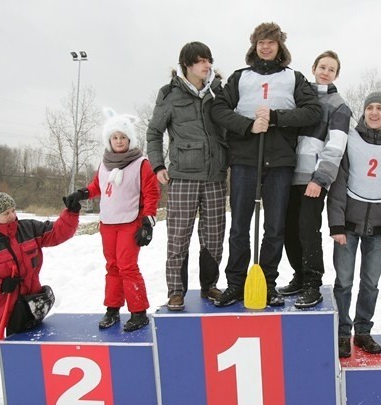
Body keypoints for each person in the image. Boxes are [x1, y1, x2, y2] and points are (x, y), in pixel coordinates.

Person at [210, 22, 321, 307]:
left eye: (271, 42)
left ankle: (267, 283)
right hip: (246, 160)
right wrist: (249, 126)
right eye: (261, 42)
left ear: (280, 47)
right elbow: (218, 109)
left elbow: (313, 111)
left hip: (281, 162)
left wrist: (275, 118)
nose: (266, 46)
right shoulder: (240, 78)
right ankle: (235, 283)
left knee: (274, 227)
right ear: (254, 46)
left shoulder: (293, 78)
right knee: (239, 226)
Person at [0, 192, 79, 405]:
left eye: (13, 210)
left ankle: (28, 392)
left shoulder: (29, 228)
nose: (13, 215)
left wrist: (71, 212)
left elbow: (58, 233)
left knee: (24, 351)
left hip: (27, 305)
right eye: (6, 213)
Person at [328, 91, 381, 357]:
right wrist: (336, 225)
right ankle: (342, 333)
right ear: (364, 112)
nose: (374, 112)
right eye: (370, 108)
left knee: (371, 283)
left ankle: (363, 332)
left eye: (380, 108)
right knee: (343, 282)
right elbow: (338, 183)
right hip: (349, 225)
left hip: (380, 227)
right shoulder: (350, 139)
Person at [147, 41, 227, 312]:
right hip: (182, 177)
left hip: (215, 176)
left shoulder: (219, 90)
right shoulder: (169, 93)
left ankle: (210, 285)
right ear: (187, 65)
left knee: (214, 236)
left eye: (209, 60)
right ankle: (176, 291)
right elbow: (154, 132)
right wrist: (158, 165)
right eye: (201, 61)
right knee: (178, 237)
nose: (207, 66)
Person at [64, 108, 160, 331]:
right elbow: (97, 186)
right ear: (109, 139)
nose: (118, 141)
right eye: (114, 137)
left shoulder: (141, 163)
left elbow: (152, 193)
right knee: (112, 267)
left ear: (130, 139)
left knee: (127, 266)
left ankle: (138, 312)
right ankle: (112, 310)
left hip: (130, 222)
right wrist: (81, 193)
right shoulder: (105, 162)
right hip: (107, 223)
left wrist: (147, 222)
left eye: (122, 137)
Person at [281, 50, 351, 309]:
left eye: (331, 69)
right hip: (287, 175)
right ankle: (299, 275)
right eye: (322, 67)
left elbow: (336, 146)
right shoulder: (298, 97)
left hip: (311, 179)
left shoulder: (339, 106)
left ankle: (313, 283)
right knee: (287, 229)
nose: (325, 72)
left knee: (307, 230)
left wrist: (320, 179)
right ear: (313, 68)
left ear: (336, 74)